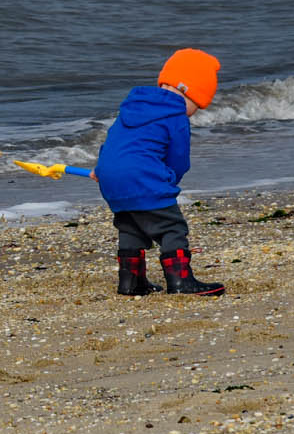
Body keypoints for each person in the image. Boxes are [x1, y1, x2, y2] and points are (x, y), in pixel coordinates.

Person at [96, 49, 226, 296]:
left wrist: (102, 170)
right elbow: (178, 160)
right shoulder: (175, 115)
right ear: (190, 92)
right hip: (144, 178)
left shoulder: (133, 107)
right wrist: (167, 183)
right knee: (171, 227)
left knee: (131, 226)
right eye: (197, 106)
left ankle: (131, 282)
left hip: (111, 177)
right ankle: (180, 281)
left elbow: (114, 142)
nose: (194, 111)